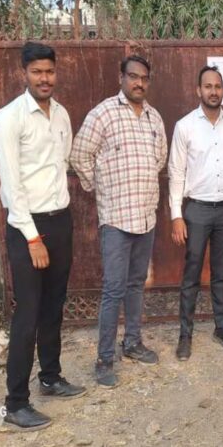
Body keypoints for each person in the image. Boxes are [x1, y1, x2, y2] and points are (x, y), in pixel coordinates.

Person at [0, 41, 86, 430]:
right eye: (37, 72)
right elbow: (11, 184)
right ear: (24, 74)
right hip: (26, 226)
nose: (44, 78)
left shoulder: (61, 114)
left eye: (49, 71)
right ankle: (15, 403)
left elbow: (62, 163)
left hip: (60, 220)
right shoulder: (9, 118)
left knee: (53, 305)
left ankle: (50, 377)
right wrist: (33, 238)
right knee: (28, 313)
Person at [70, 55, 168, 388]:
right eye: (133, 76)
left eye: (144, 78)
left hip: (145, 215)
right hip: (116, 218)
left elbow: (160, 159)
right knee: (113, 289)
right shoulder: (103, 114)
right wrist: (100, 187)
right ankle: (104, 359)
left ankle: (133, 342)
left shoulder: (154, 117)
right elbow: (79, 154)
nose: (139, 83)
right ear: (121, 77)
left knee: (136, 283)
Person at [169, 66, 223, 360]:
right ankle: (185, 335)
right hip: (197, 211)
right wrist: (176, 215)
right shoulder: (185, 126)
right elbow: (176, 172)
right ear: (198, 90)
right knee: (191, 274)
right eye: (208, 86)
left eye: (217, 86)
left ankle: (221, 328)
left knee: (220, 273)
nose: (213, 91)